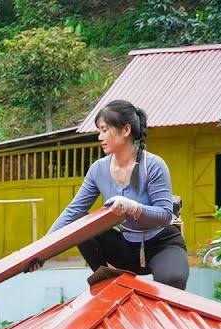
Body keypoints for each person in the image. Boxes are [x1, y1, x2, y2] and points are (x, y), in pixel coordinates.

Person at [49, 100, 188, 289]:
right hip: (126, 246)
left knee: (173, 280)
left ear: (126, 130)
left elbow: (165, 216)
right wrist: (41, 250)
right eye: (99, 130)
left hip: (162, 244)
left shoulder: (154, 165)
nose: (100, 136)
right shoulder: (98, 170)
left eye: (105, 130)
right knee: (80, 223)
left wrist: (133, 207)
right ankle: (106, 283)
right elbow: (73, 211)